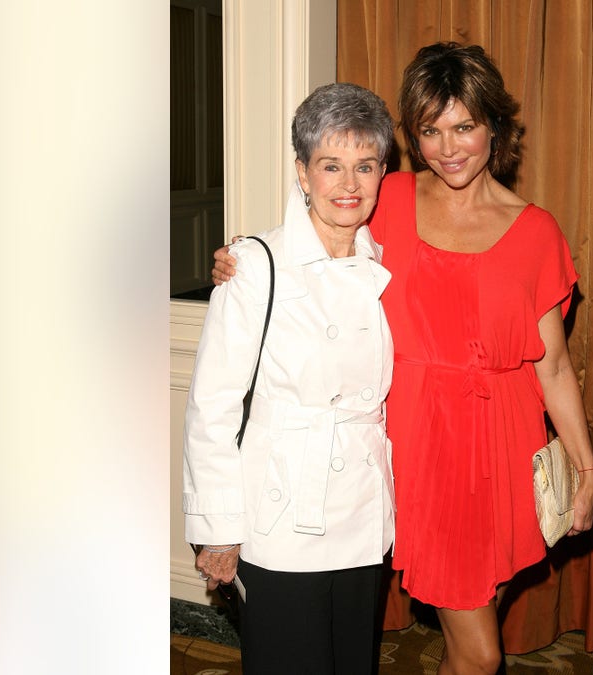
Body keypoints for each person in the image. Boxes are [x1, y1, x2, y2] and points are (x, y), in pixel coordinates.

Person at [213, 43, 593, 675]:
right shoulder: (387, 197)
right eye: (429, 131)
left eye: (464, 127)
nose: (448, 148)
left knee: (470, 634)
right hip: (421, 444)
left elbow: (552, 365)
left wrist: (586, 470)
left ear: (494, 127)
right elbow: (315, 237)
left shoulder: (536, 232)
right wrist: (244, 254)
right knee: (481, 655)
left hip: (503, 443)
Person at [182, 82, 396, 675]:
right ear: (302, 172)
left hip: (361, 512)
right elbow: (214, 405)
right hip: (280, 518)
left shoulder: (386, 263)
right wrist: (217, 530)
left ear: (382, 174)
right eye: (331, 166)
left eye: (365, 166)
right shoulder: (255, 265)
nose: (349, 185)